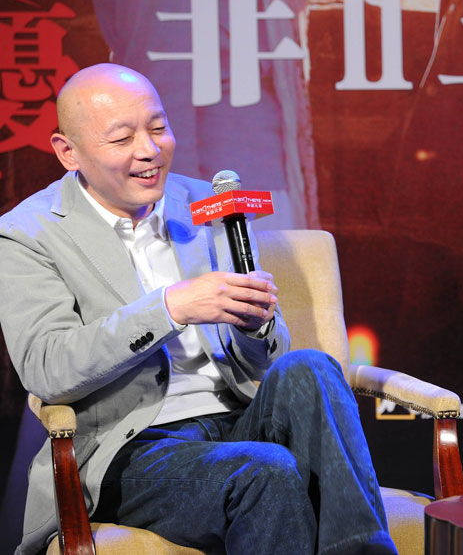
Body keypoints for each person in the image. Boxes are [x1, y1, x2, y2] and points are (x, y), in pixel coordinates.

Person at [0, 64, 395, 555]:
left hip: (236, 419)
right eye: (122, 139)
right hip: (133, 449)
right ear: (68, 152)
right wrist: (170, 307)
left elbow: (266, 359)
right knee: (265, 470)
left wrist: (257, 326)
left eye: (158, 127)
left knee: (310, 367)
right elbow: (49, 369)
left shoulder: (208, 202)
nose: (149, 150)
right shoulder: (28, 233)